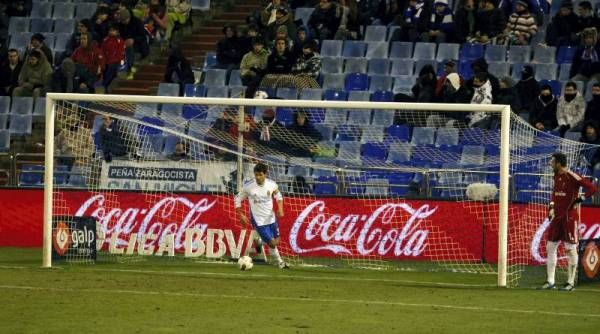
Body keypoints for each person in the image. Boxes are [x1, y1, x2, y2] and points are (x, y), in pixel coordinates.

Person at [541, 152, 597, 291]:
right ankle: (550, 281)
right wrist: (552, 207)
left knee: (570, 249)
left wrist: (581, 198)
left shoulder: (572, 176)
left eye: (553, 161)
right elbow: (554, 192)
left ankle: (570, 283)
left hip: (569, 217)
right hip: (556, 217)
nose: (551, 164)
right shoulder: (557, 176)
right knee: (550, 247)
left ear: (559, 163)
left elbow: (592, 187)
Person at [234, 162, 289, 269]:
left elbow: (278, 195)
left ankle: (260, 242)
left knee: (277, 241)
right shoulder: (249, 187)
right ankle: (280, 262)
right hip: (258, 221)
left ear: (265, 174)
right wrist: (241, 215)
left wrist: (280, 209)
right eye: (256, 175)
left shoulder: (271, 184)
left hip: (271, 218)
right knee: (272, 243)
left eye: (260, 175)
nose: (258, 177)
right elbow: (237, 199)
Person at [101, 24, 126, 93]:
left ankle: (104, 85)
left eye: (113, 30)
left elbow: (121, 54)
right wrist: (103, 62)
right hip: (107, 62)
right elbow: (102, 52)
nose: (111, 32)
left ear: (117, 32)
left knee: (112, 68)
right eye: (110, 30)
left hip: (117, 63)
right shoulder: (105, 40)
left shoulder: (120, 41)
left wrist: (120, 62)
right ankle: (105, 86)